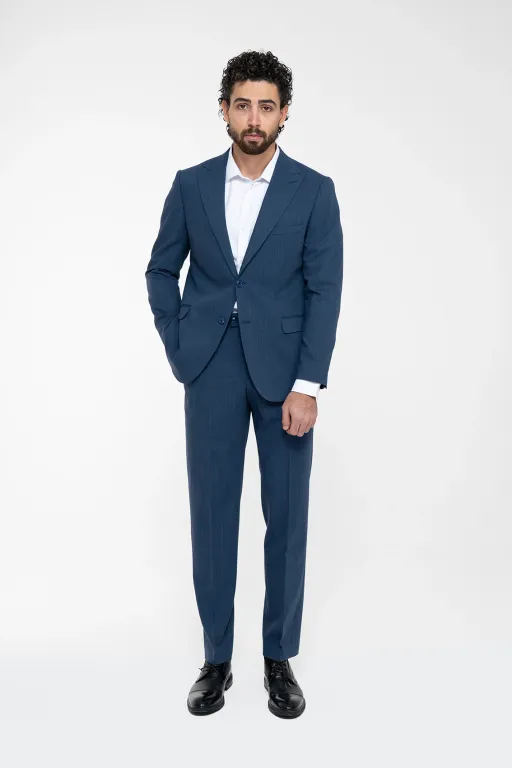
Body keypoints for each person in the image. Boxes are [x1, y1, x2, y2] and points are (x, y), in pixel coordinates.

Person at [145, 49, 343, 719]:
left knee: (286, 517)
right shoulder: (191, 185)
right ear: (225, 110)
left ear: (284, 114)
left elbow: (324, 290)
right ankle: (216, 659)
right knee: (212, 516)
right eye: (242, 104)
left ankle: (278, 659)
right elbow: (160, 270)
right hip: (209, 366)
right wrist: (179, 341)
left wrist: (308, 383)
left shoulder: (313, 191)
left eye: (266, 105)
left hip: (285, 375)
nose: (253, 117)